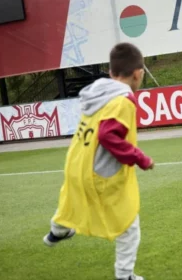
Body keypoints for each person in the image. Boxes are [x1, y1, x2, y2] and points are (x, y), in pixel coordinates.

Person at [42, 42, 154, 280]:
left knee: (70, 200)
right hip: (101, 173)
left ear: (112, 72)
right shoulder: (123, 100)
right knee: (129, 226)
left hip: (77, 164)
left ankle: (57, 231)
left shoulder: (98, 92)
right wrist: (140, 158)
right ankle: (125, 275)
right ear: (138, 73)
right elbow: (107, 135)